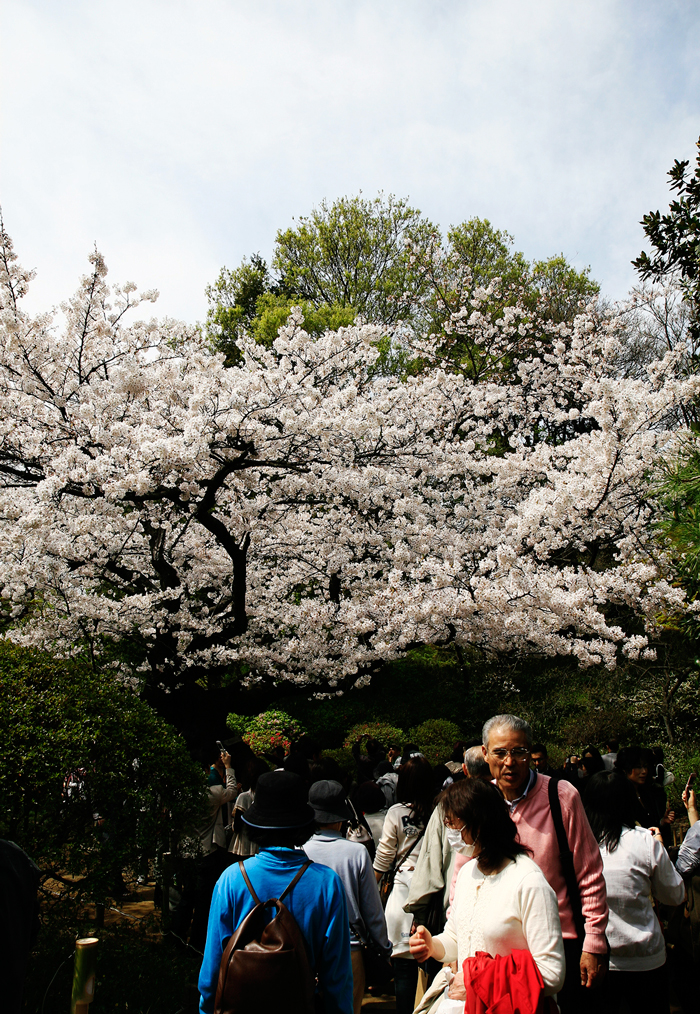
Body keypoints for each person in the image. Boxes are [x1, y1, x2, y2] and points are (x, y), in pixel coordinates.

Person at [480, 714, 608, 1013]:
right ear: (485, 753)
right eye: (500, 752)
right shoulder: (481, 802)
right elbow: (463, 877)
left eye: (519, 752)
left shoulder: (560, 796)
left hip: (561, 944)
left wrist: (594, 941)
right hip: (500, 953)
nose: (509, 762)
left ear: (531, 753)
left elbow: (589, 874)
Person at [198, 770, 353, 1014]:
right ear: (303, 824)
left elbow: (212, 969)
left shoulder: (231, 880)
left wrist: (207, 1009)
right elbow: (337, 975)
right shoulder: (326, 883)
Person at [409, 778, 565, 1010]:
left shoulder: (528, 882)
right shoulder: (468, 873)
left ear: (480, 825)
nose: (450, 832)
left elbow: (552, 973)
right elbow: (457, 938)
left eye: (454, 825)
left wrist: (478, 981)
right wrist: (432, 945)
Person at [583, 771, 685, 1013]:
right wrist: (658, 844)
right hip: (645, 959)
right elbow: (674, 894)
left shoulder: (579, 845)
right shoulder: (644, 841)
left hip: (595, 960)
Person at [304, 780, 391, 1014]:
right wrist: (383, 946)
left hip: (307, 950)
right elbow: (372, 910)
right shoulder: (356, 852)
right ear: (341, 816)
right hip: (349, 948)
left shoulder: (299, 851)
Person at [374, 754, 434, 1014]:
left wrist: (373, 895)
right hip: (433, 897)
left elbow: (384, 857)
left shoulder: (396, 814)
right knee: (434, 969)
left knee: (404, 972)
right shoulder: (440, 812)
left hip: (402, 896)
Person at [172, 746, 238, 951]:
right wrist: (228, 767)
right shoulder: (213, 793)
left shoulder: (180, 795)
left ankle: (176, 938)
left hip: (185, 850)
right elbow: (233, 791)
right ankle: (197, 944)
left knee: (186, 896)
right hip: (207, 851)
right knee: (203, 901)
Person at [615, 746, 675, 844]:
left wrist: (662, 822)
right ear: (625, 768)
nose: (644, 771)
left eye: (645, 766)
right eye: (638, 767)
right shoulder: (621, 797)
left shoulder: (646, 793)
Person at [228, 756, 269, 863]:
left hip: (244, 846)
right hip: (262, 846)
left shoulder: (244, 797)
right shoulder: (268, 796)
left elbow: (237, 827)